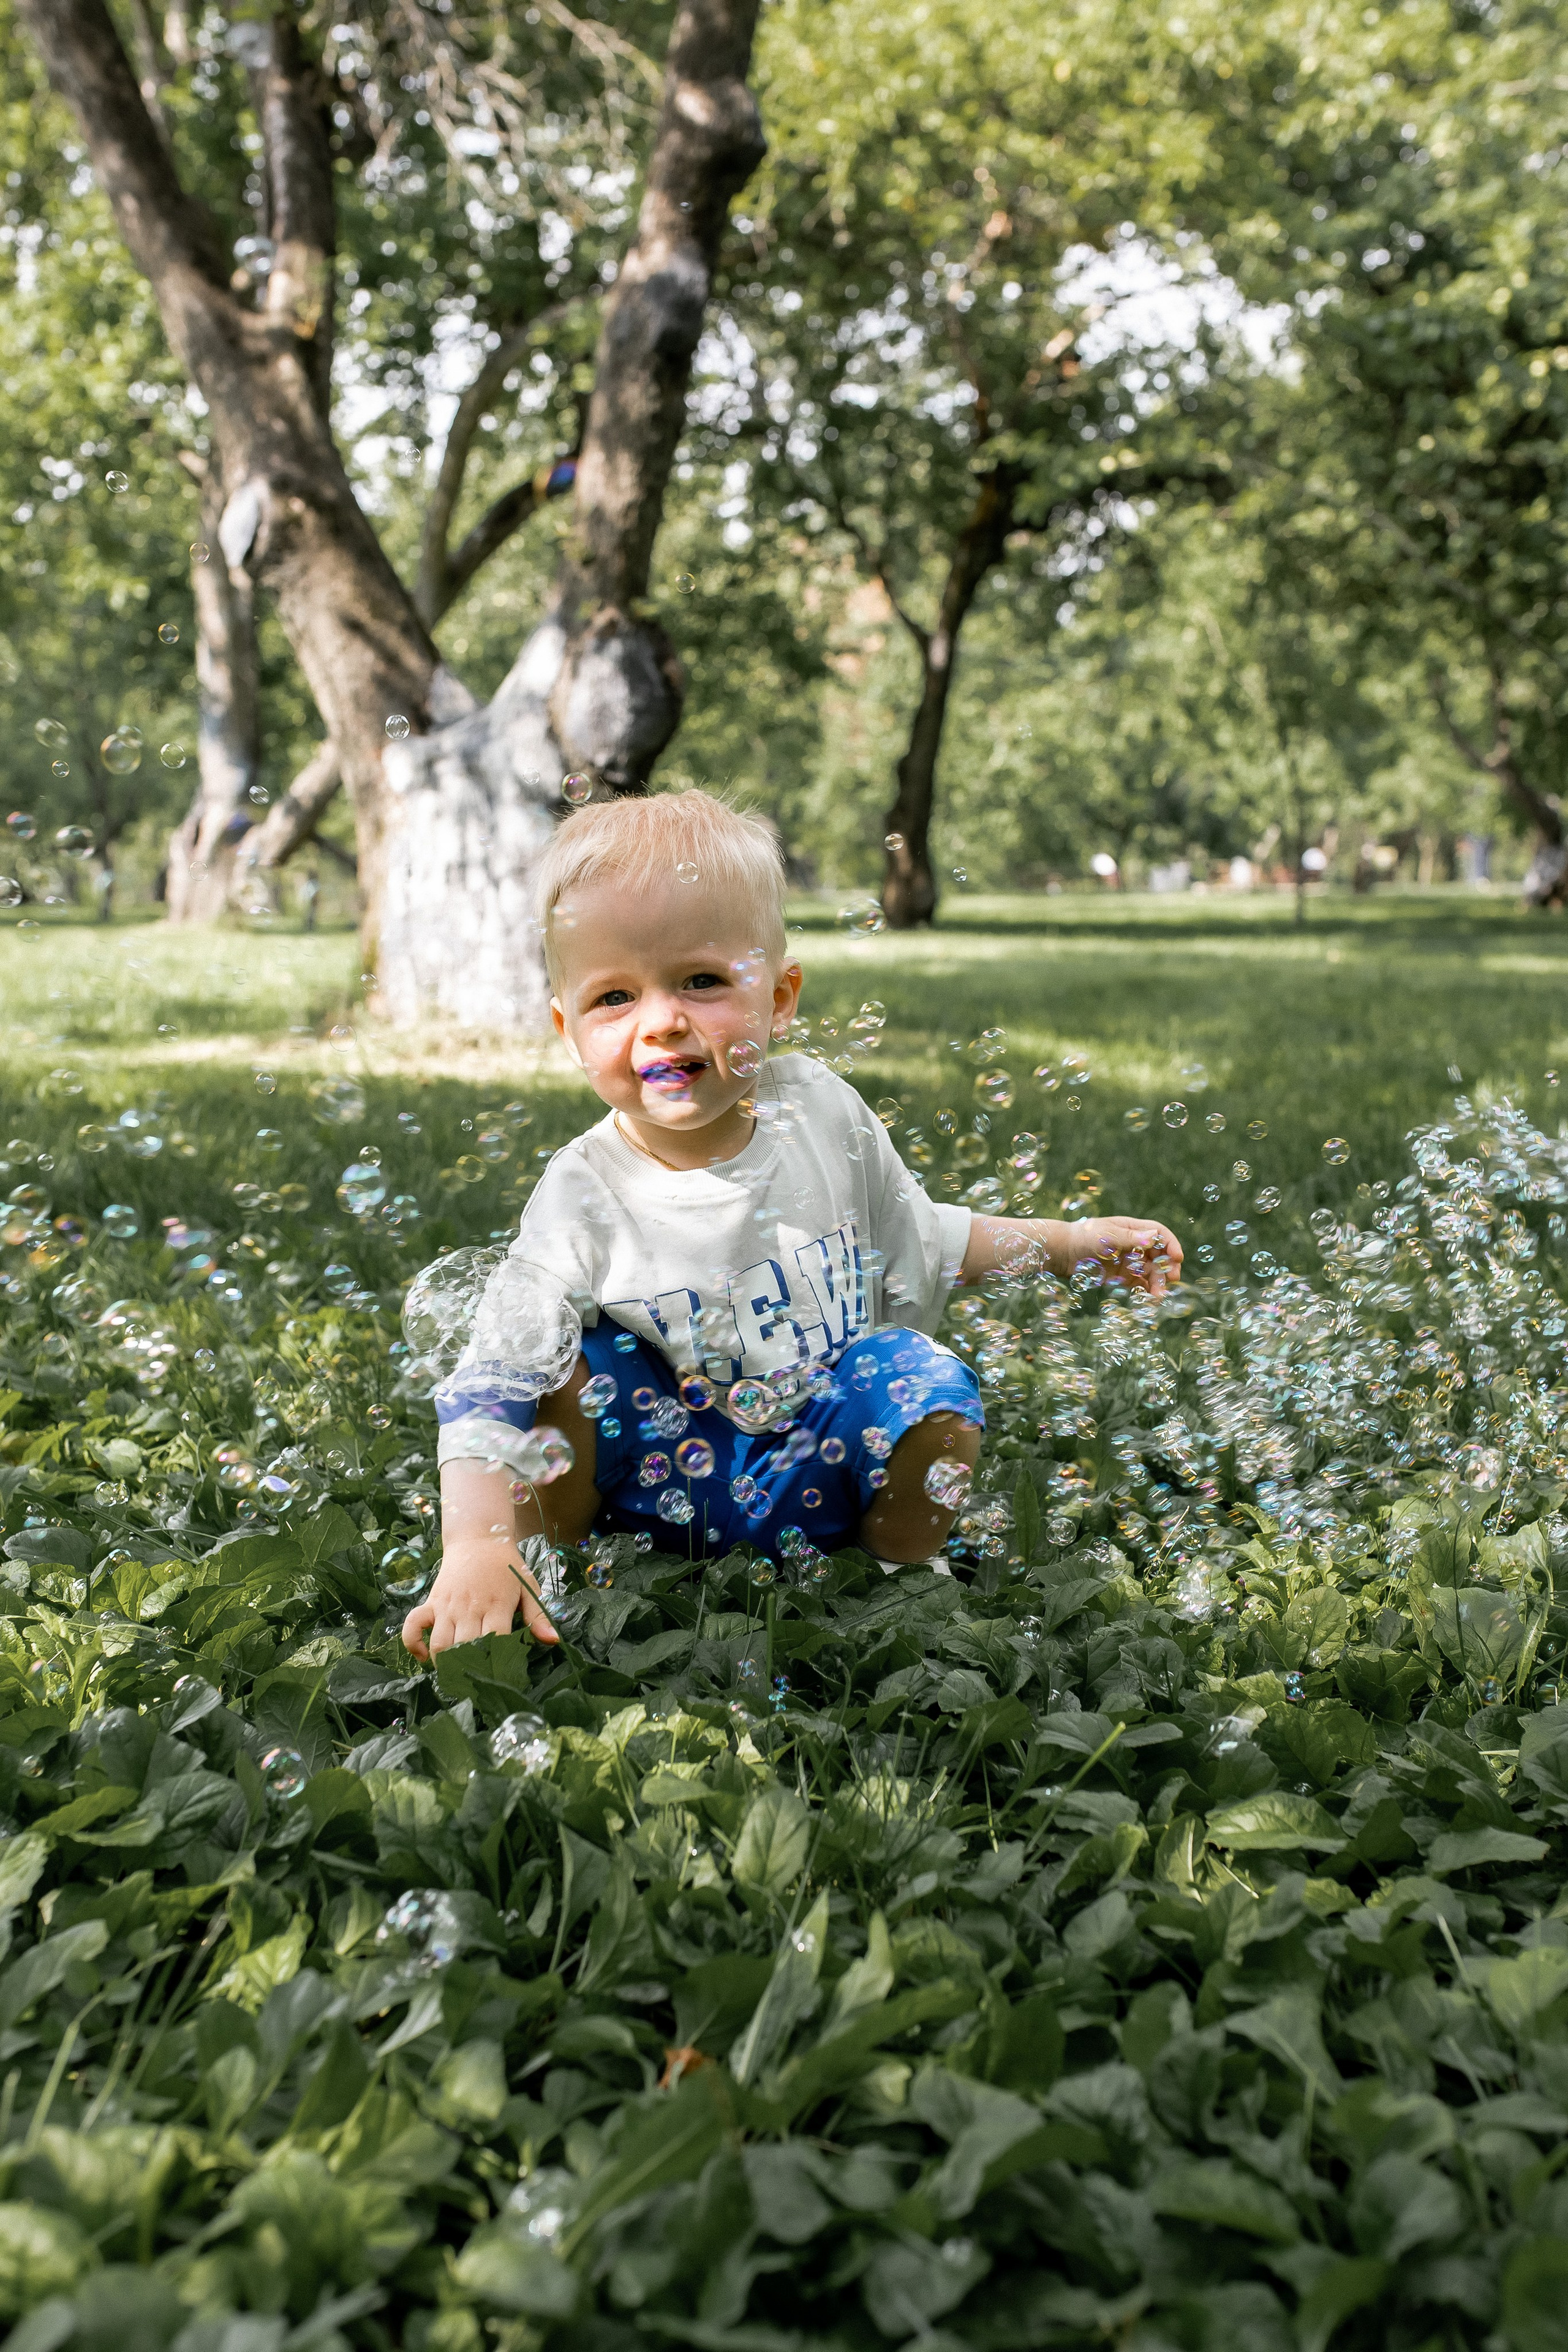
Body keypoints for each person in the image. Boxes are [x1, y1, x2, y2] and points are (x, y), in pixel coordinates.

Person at [402, 790, 1181, 1659]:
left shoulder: (822, 1115)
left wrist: (1069, 1248)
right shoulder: (583, 1191)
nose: (662, 1020)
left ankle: (892, 1578)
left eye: (701, 981)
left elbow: (924, 1239)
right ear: (568, 1030)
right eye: (614, 997)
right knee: (572, 1371)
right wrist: (476, 1539)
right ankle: (544, 1561)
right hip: (656, 1494)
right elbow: (493, 1375)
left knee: (928, 1385)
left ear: (779, 997)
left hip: (819, 1459)